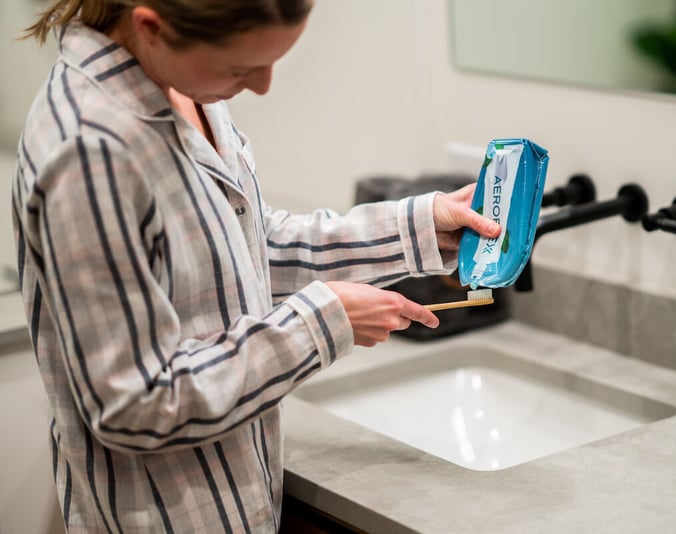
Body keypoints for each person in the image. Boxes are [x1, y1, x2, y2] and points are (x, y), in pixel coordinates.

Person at [13, 0, 500, 532]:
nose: (263, 86)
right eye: (241, 69)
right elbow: (134, 404)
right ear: (151, 26)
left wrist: (421, 226)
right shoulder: (89, 151)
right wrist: (319, 325)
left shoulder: (181, 85)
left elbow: (246, 245)